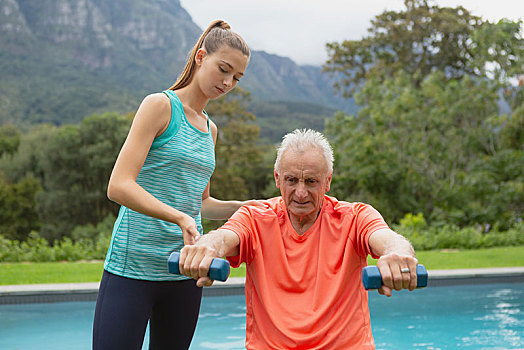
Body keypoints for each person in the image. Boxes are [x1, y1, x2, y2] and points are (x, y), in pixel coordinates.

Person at [92, 20, 259, 350]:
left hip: (185, 269)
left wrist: (243, 207)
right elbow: (119, 186)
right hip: (132, 268)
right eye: (223, 69)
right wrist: (180, 218)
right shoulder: (160, 106)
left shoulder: (210, 130)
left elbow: (202, 203)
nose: (228, 83)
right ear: (200, 57)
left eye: (236, 78)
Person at [179, 129, 420, 349]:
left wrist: (398, 254)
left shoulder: (355, 217)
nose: (301, 192)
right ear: (277, 179)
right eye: (292, 180)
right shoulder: (254, 217)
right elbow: (223, 238)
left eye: (311, 181)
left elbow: (388, 239)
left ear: (328, 181)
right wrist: (207, 247)